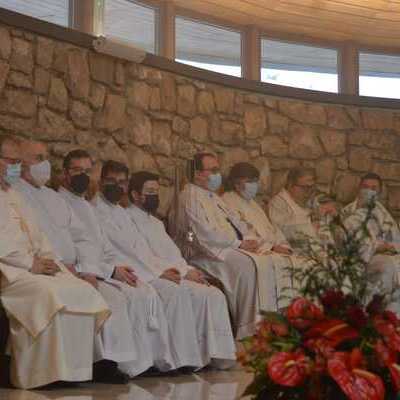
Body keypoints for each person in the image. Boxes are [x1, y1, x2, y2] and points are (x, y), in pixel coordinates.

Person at [13, 139, 141, 383]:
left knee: (114, 296)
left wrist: (88, 269)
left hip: (76, 268)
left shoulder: (54, 198)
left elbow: (81, 238)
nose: (44, 164)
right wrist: (65, 266)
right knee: (78, 295)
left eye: (45, 157)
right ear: (20, 163)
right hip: (50, 267)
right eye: (38, 158)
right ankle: (64, 368)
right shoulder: (16, 193)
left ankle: (104, 362)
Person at [92, 161, 232, 370]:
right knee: (175, 293)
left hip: (147, 269)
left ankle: (208, 356)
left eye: (122, 182)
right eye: (112, 181)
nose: (117, 186)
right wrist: (160, 273)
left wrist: (184, 270)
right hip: (124, 271)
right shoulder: (98, 211)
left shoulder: (123, 213)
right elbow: (126, 252)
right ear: (102, 182)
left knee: (213, 294)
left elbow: (150, 252)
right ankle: (173, 360)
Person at [0, 135, 110, 389]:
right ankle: (40, 374)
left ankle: (72, 371)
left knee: (78, 289)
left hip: (32, 265)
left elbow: (39, 236)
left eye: (19, 161)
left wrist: (50, 262)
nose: (17, 166)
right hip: (10, 271)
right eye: (12, 161)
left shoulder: (14, 194)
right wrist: (30, 263)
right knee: (50, 294)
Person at [58, 150, 175, 377]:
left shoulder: (84, 205)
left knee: (140, 291)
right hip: (83, 271)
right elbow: (76, 247)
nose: (83, 175)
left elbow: (104, 246)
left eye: (86, 171)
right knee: (123, 297)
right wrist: (109, 270)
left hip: (103, 269)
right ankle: (112, 363)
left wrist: (115, 268)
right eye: (77, 170)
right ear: (65, 173)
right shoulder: (66, 202)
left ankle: (145, 360)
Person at [126, 170, 237, 368]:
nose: (155, 196)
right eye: (149, 191)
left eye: (156, 191)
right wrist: (166, 272)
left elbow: (173, 254)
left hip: (175, 271)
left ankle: (216, 356)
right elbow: (142, 255)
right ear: (135, 194)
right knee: (179, 294)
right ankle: (182, 359)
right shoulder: (128, 219)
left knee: (213, 294)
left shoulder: (156, 223)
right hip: (154, 274)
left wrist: (187, 271)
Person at [176, 153, 259, 339]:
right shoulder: (189, 196)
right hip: (202, 255)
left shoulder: (212, 196)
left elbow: (236, 221)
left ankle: (262, 322)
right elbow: (202, 233)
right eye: (213, 170)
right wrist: (239, 243)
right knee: (246, 265)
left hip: (224, 248)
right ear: (197, 174)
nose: (218, 175)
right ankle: (245, 326)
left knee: (258, 259)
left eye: (217, 170)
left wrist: (249, 238)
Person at [222, 162, 310, 310]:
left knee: (300, 263)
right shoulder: (227, 200)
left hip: (271, 249)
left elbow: (271, 229)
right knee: (271, 265)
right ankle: (267, 317)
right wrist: (272, 247)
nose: (254, 185)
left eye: (255, 181)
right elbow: (240, 232)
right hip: (254, 250)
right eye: (249, 181)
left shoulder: (253, 204)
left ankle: (295, 314)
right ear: (236, 183)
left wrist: (283, 245)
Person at [341, 172, 400, 311]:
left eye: (373, 188)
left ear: (379, 191)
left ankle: (394, 316)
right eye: (365, 187)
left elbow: (396, 238)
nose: (369, 191)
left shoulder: (383, 212)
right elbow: (347, 241)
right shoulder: (348, 212)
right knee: (386, 267)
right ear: (359, 189)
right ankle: (375, 312)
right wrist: (376, 247)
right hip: (361, 257)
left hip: (385, 253)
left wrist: (391, 247)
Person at [268, 167, 318, 250]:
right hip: (294, 249)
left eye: (311, 187)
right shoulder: (278, 203)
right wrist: (311, 226)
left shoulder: (312, 200)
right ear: (290, 185)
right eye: (304, 187)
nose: (308, 191)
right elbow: (279, 230)